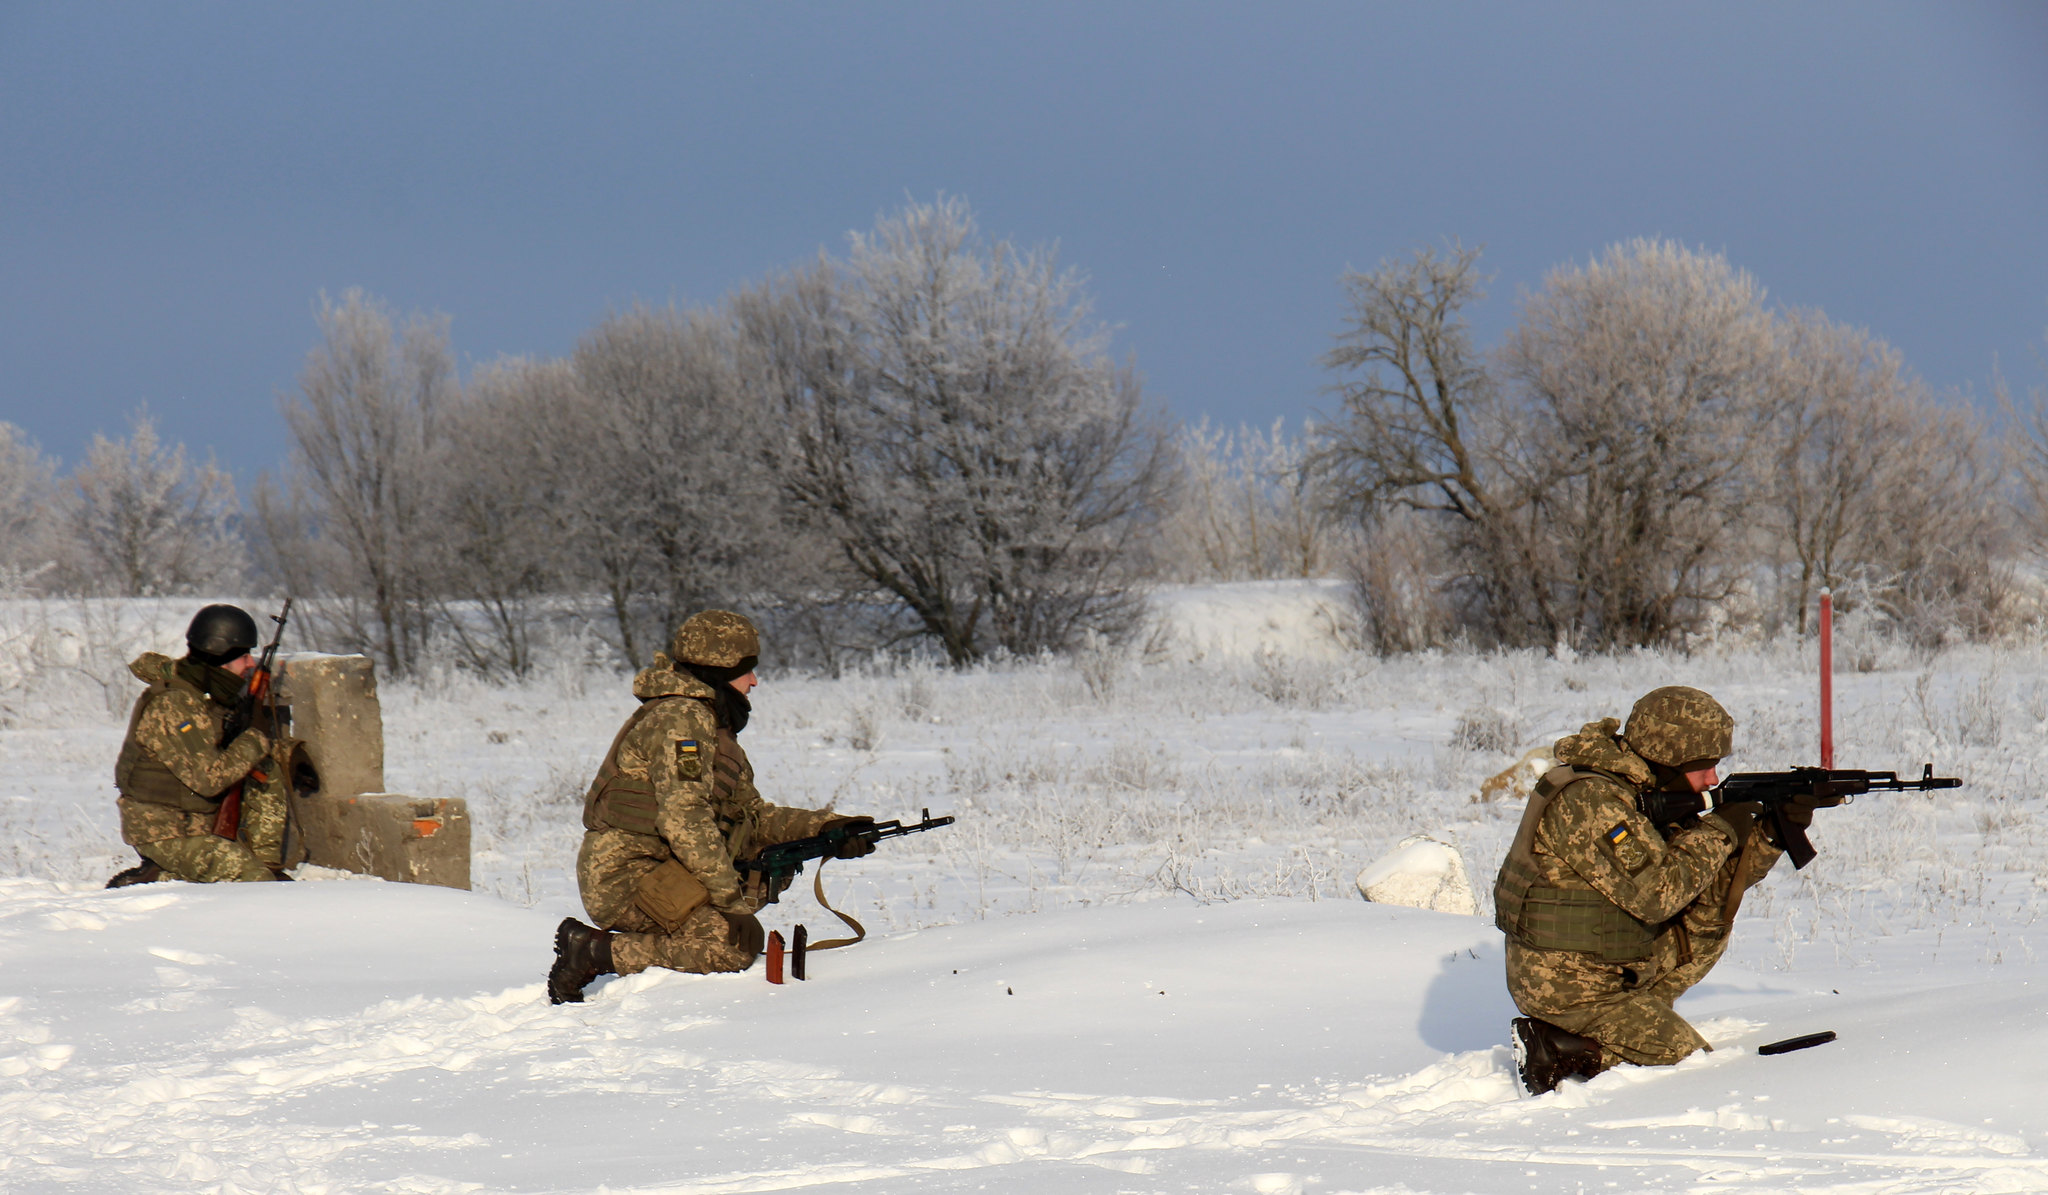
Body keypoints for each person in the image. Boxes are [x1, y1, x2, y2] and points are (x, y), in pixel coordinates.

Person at [549, 610, 875, 1004]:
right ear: (720, 670)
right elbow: (684, 818)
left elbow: (752, 816)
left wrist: (828, 828)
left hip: (662, 869)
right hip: (625, 876)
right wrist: (730, 903)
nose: (754, 681)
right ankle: (593, 952)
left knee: (737, 921)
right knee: (728, 947)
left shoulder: (709, 724)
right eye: (746, 670)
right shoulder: (682, 720)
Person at [1493, 686, 1807, 1095]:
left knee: (1709, 911)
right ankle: (1558, 1048)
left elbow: (1708, 881)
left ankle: (1638, 1014)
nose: (1712, 779)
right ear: (1667, 759)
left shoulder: (1635, 791)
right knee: (1685, 1057)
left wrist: (1774, 833)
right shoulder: (1593, 800)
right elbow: (1659, 894)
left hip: (1603, 963)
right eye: (1703, 767)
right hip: (1565, 987)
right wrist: (1724, 826)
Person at [106, 604, 290, 886]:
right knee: (253, 881)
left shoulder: (203, 688)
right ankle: (162, 877)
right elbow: (209, 779)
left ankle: (265, 864)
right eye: (243, 657)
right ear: (220, 660)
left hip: (193, 823)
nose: (251, 664)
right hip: (164, 832)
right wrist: (255, 738)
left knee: (263, 767)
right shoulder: (175, 705)